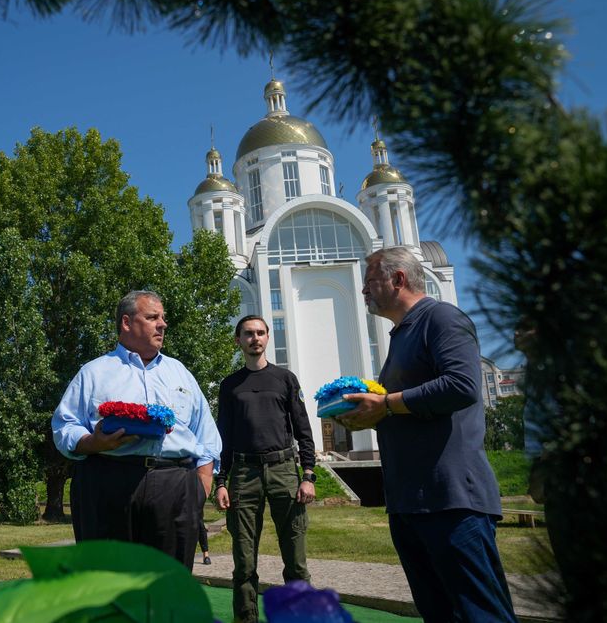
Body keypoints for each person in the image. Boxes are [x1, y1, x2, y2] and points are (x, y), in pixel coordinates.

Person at [339, 247, 517, 623]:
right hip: (411, 502)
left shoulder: (441, 318)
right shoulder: (402, 333)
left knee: (480, 613)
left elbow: (462, 385)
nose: (363, 292)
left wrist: (386, 405)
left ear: (398, 279)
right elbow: (409, 409)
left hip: (451, 500)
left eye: (369, 282)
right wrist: (367, 417)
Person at [51, 290, 222, 570]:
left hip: (174, 485)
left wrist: (201, 486)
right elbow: (63, 426)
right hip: (108, 483)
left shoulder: (180, 373)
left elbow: (205, 433)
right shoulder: (94, 372)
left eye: (163, 318)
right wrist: (92, 443)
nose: (163, 324)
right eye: (153, 317)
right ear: (127, 323)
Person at [215, 315, 316, 623]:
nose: (254, 338)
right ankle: (246, 618)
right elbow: (224, 438)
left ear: (267, 338)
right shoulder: (230, 386)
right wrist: (220, 482)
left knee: (295, 560)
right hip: (244, 476)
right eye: (248, 333)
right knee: (244, 561)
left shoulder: (285, 379)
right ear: (238, 340)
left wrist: (308, 475)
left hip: (284, 470)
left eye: (260, 333)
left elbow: (303, 430)